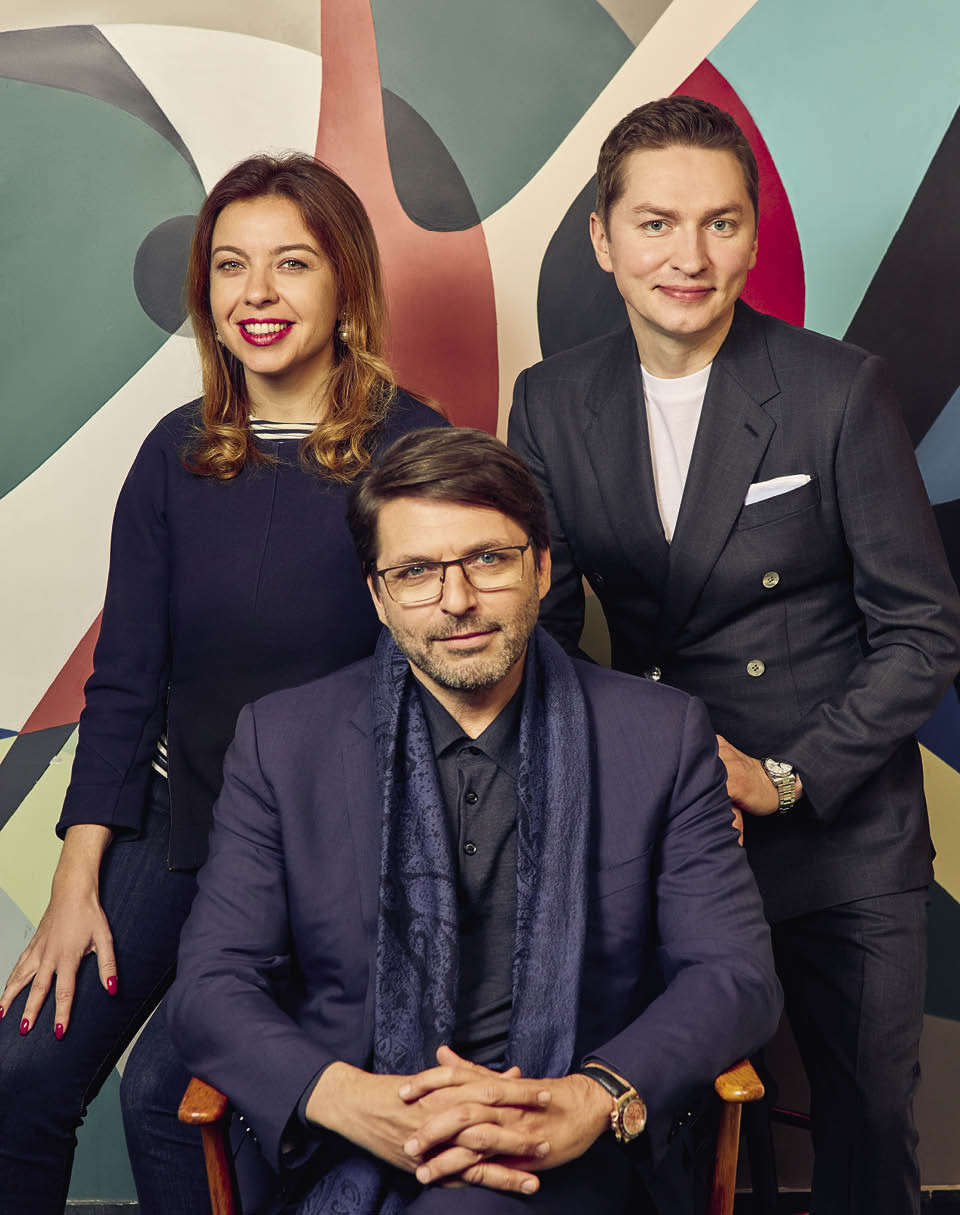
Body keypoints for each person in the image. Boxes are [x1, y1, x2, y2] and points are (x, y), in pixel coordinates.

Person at [507, 96, 960, 1214]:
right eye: (656, 224)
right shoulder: (550, 402)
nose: (690, 257)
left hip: (841, 828)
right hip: (666, 825)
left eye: (720, 223)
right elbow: (546, 630)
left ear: (754, 236)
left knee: (866, 1125)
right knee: (660, 1122)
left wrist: (787, 775)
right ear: (604, 239)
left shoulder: (836, 387)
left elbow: (922, 630)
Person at [166, 426, 781, 1214]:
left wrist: (594, 1095)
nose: (456, 600)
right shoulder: (283, 741)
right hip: (353, 1143)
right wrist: (351, 1100)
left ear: (542, 568)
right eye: (416, 571)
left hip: (574, 1151)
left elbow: (734, 974)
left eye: (488, 559)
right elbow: (211, 985)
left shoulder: (660, 735)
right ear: (378, 596)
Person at [0, 153, 446, 1215]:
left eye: (292, 263)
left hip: (327, 846)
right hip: (177, 821)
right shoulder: (175, 454)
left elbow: (443, 695)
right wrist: (74, 886)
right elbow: (124, 683)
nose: (257, 292)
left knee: (163, 1096)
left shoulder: (416, 450)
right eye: (231, 265)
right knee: (22, 1072)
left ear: (345, 283)